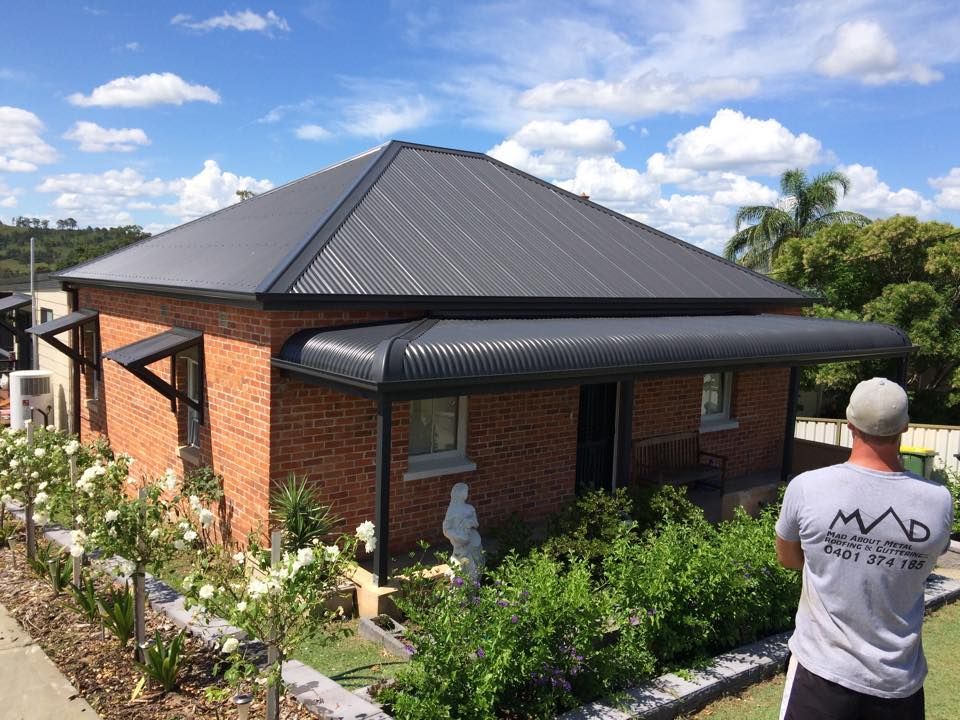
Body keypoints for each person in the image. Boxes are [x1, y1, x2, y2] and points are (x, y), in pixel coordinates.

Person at [776, 377, 954, 720]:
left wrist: (833, 560)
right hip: (898, 684)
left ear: (849, 424)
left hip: (819, 675)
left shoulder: (807, 487)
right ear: (904, 427)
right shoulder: (938, 502)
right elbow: (927, 562)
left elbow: (788, 558)